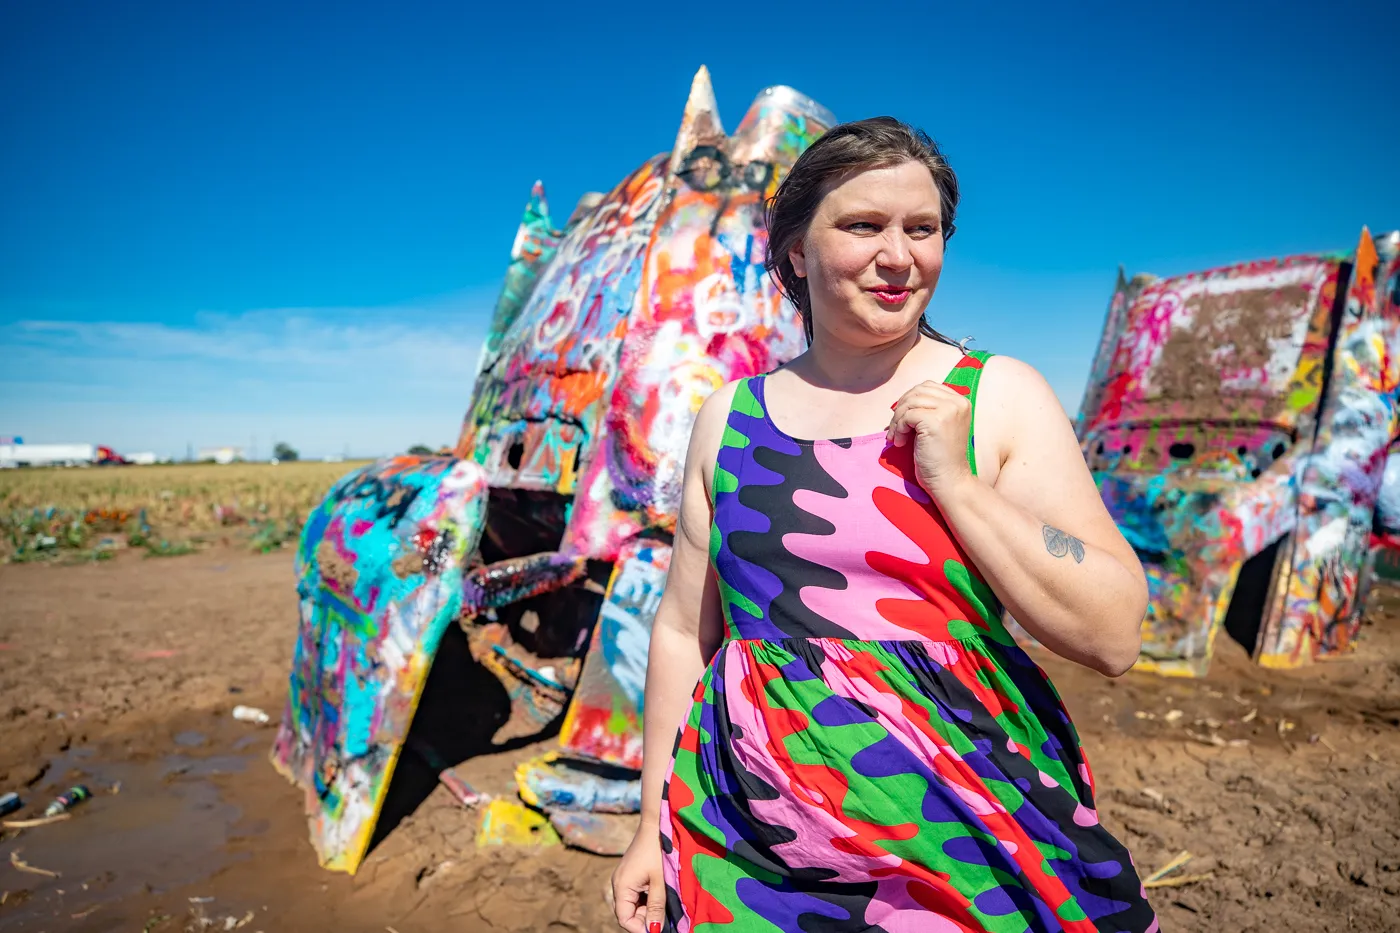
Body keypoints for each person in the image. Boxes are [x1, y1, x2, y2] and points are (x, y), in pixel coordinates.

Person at [611, 117, 1159, 933]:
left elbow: (1114, 633)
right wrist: (650, 827)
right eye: (863, 225)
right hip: (751, 841)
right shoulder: (730, 418)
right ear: (797, 250)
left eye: (923, 228)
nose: (899, 256)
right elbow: (684, 636)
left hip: (962, 835)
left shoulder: (996, 397)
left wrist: (957, 486)